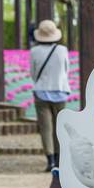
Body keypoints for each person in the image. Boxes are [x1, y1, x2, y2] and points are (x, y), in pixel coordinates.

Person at [30, 19, 70, 171]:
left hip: (41, 92)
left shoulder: (34, 51)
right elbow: (66, 70)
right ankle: (60, 160)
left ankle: (50, 160)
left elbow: (33, 73)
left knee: (45, 128)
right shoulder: (62, 50)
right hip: (60, 90)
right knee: (59, 127)